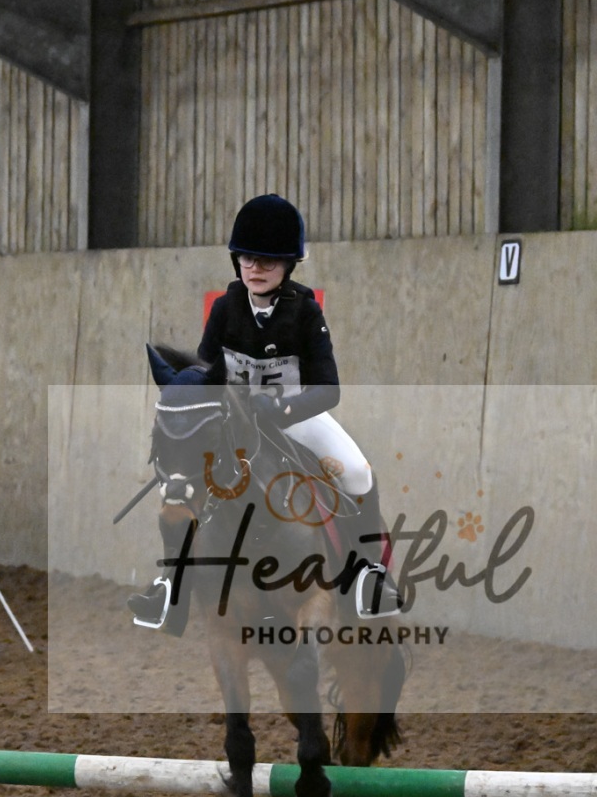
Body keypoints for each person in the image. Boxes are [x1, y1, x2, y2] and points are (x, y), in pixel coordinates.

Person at [129, 193, 402, 629]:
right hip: (234, 425)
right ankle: (170, 588)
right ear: (236, 260)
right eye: (247, 259)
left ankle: (370, 574)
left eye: (267, 261)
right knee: (179, 487)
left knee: (358, 473)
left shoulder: (306, 311)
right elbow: (206, 372)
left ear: (288, 265)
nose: (255, 268)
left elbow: (328, 389)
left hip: (297, 418)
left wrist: (278, 407)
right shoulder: (225, 308)